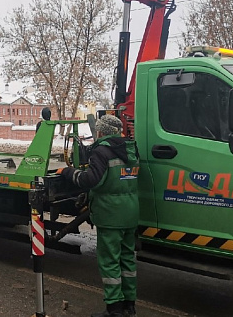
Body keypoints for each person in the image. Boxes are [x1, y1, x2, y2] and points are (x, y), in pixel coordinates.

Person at [57, 114, 139, 317]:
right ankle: (129, 306)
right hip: (130, 212)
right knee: (127, 259)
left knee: (110, 261)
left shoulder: (101, 151)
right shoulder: (131, 149)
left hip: (110, 214)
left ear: (101, 132)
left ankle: (114, 309)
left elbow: (90, 179)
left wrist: (68, 172)